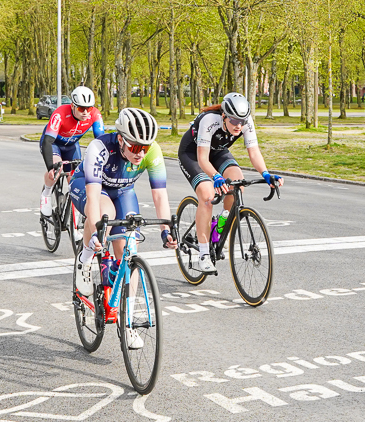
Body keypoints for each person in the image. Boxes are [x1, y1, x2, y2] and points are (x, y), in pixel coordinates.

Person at [70, 107, 177, 348]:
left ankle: (127, 322)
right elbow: (94, 197)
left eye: (145, 147)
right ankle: (84, 260)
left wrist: (166, 230)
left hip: (123, 191)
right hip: (88, 186)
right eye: (136, 147)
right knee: (105, 214)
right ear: (120, 139)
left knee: (129, 248)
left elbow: (160, 195)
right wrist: (96, 232)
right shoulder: (99, 148)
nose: (141, 153)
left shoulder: (152, 151)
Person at [177, 92, 283, 274]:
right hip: (193, 154)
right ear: (224, 116)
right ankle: (203, 254)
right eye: (234, 121)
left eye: (242, 121)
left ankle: (221, 224)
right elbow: (203, 159)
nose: (238, 125)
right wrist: (216, 177)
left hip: (218, 151)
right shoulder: (210, 120)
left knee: (238, 183)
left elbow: (254, 152)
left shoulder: (245, 122)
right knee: (207, 196)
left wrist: (265, 173)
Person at [39, 86, 104, 218]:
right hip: (54, 144)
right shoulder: (60, 114)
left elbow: (101, 141)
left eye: (89, 108)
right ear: (73, 106)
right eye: (81, 108)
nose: (85, 112)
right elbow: (48, 142)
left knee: (75, 178)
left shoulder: (95, 115)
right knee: (57, 169)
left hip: (72, 145)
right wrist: (51, 167)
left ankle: (75, 216)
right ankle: (46, 194)